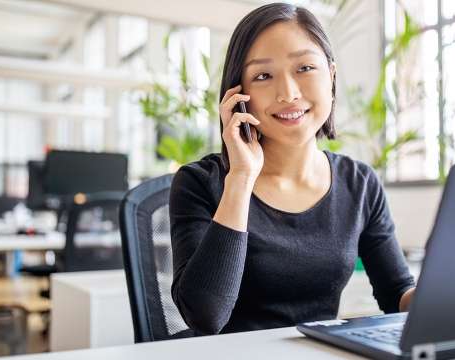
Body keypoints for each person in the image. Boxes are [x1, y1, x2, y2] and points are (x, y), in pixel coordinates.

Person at [170, 2, 416, 336]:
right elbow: (205, 317)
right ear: (239, 95)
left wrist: (448, 295)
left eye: (304, 68)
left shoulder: (359, 184)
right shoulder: (200, 183)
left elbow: (396, 295)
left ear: (331, 75)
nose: (288, 93)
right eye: (263, 76)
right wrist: (240, 177)